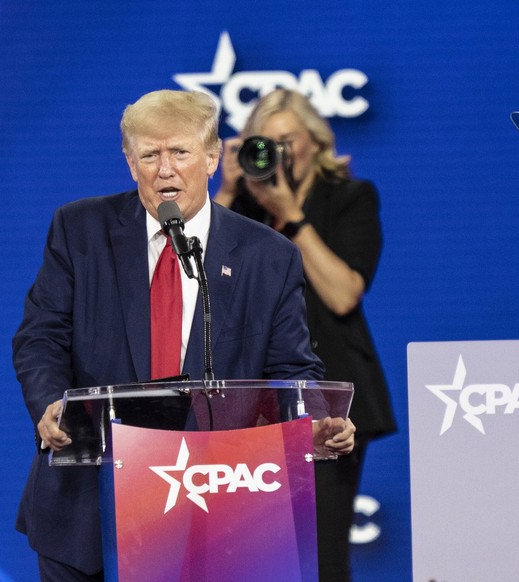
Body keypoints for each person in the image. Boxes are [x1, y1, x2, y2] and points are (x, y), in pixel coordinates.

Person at [12, 89, 357, 581]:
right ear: (131, 164)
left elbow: (291, 368)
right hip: (92, 504)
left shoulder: (268, 255)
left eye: (180, 152)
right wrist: (50, 403)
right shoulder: (80, 230)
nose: (164, 169)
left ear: (213, 156)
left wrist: (315, 419)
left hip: (218, 503)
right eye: (149, 155)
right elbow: (41, 337)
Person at [214, 88, 397, 582]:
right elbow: (196, 289)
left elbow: (342, 294)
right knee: (248, 554)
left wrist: (292, 215)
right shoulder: (239, 213)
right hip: (251, 403)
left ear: (315, 143)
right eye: (262, 143)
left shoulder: (350, 198)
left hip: (329, 404)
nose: (275, 153)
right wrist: (226, 195)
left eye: (287, 140)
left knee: (320, 554)